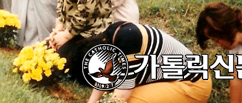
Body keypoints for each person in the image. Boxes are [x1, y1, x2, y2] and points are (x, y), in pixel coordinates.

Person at [77, 22, 212, 103]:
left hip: (194, 85)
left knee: (129, 101)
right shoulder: (112, 35)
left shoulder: (129, 46)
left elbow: (121, 96)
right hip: (175, 78)